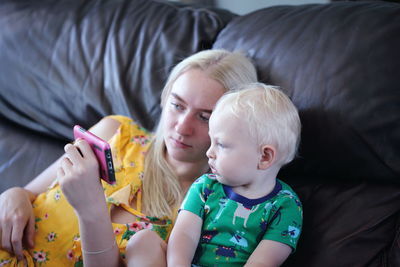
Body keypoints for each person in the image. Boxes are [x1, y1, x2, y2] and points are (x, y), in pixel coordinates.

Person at [0, 49, 258, 267]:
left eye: (204, 117)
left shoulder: (206, 209)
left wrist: (92, 212)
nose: (181, 127)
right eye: (177, 105)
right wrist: (13, 196)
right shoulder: (116, 131)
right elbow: (28, 192)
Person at [167, 83, 303, 267]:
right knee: (143, 242)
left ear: (264, 156)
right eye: (211, 141)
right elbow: (183, 236)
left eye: (221, 144)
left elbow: (263, 262)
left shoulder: (286, 206)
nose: (209, 152)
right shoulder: (205, 187)